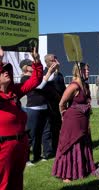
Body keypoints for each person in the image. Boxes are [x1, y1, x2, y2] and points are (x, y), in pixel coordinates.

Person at [0, 47, 43, 190]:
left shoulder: (14, 92)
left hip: (20, 144)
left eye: (7, 69)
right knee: (3, 183)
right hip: (3, 147)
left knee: (17, 182)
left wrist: (36, 60)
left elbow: (35, 80)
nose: (6, 71)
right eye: (2, 70)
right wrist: (0, 58)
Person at [52, 63, 96, 182]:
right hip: (72, 120)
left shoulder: (85, 85)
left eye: (88, 69)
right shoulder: (74, 86)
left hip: (83, 119)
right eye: (85, 70)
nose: (87, 71)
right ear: (78, 71)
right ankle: (67, 174)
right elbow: (62, 103)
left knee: (83, 143)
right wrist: (64, 115)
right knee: (71, 143)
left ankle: (83, 169)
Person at [21, 59, 58, 165]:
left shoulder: (35, 77)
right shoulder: (25, 78)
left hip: (44, 108)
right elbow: (39, 85)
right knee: (31, 135)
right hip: (33, 109)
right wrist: (49, 72)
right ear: (26, 67)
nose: (33, 66)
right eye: (31, 65)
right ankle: (27, 159)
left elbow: (48, 80)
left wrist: (54, 70)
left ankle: (38, 156)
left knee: (42, 133)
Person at [42, 54, 66, 159]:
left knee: (57, 128)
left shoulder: (59, 74)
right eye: (53, 60)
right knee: (48, 129)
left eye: (56, 59)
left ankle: (56, 148)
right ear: (47, 62)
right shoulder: (44, 74)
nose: (56, 61)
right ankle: (47, 151)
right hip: (48, 105)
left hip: (58, 105)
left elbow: (63, 88)